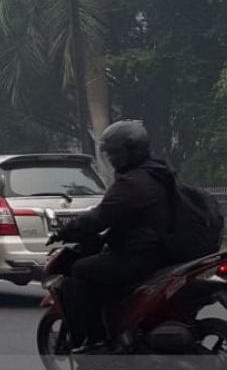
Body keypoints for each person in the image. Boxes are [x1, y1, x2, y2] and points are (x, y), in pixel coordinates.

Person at [53, 120, 176, 352]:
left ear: (131, 151)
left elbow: (99, 217)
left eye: (115, 153)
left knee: (80, 269)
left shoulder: (132, 183)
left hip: (140, 256)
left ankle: (98, 338)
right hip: (165, 252)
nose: (112, 159)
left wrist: (65, 232)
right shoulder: (161, 173)